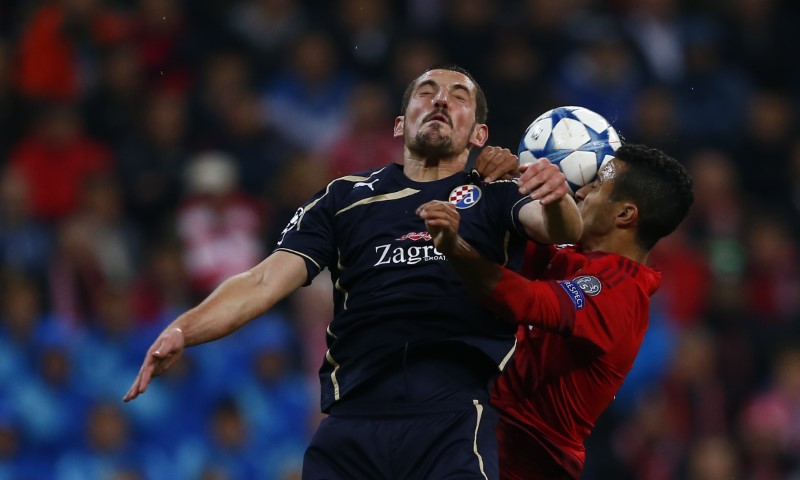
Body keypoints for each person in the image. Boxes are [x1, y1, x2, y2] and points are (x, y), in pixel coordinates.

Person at [123, 65, 583, 479]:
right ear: (400, 124)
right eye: (427, 91)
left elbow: (560, 227)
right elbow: (264, 280)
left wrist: (557, 195)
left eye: (458, 96)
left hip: (455, 415)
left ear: (478, 134)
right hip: (353, 424)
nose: (441, 99)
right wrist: (186, 329)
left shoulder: (499, 194)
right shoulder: (344, 198)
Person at [417, 143, 694, 480]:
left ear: (625, 215)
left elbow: (521, 300)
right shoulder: (577, 256)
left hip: (526, 460)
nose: (583, 188)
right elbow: (505, 240)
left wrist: (453, 247)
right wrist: (504, 181)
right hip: (477, 436)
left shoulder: (622, 291)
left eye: (598, 184)